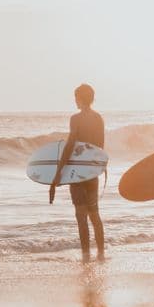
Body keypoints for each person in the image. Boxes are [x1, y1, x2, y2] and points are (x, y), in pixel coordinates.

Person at [49, 84, 105, 261]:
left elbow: (70, 144)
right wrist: (96, 167)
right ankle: (101, 253)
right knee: (94, 213)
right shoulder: (98, 118)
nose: (75, 100)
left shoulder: (76, 119)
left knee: (81, 215)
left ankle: (86, 254)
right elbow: (100, 147)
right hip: (92, 171)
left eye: (76, 97)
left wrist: (59, 171)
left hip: (76, 172)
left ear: (80, 98)